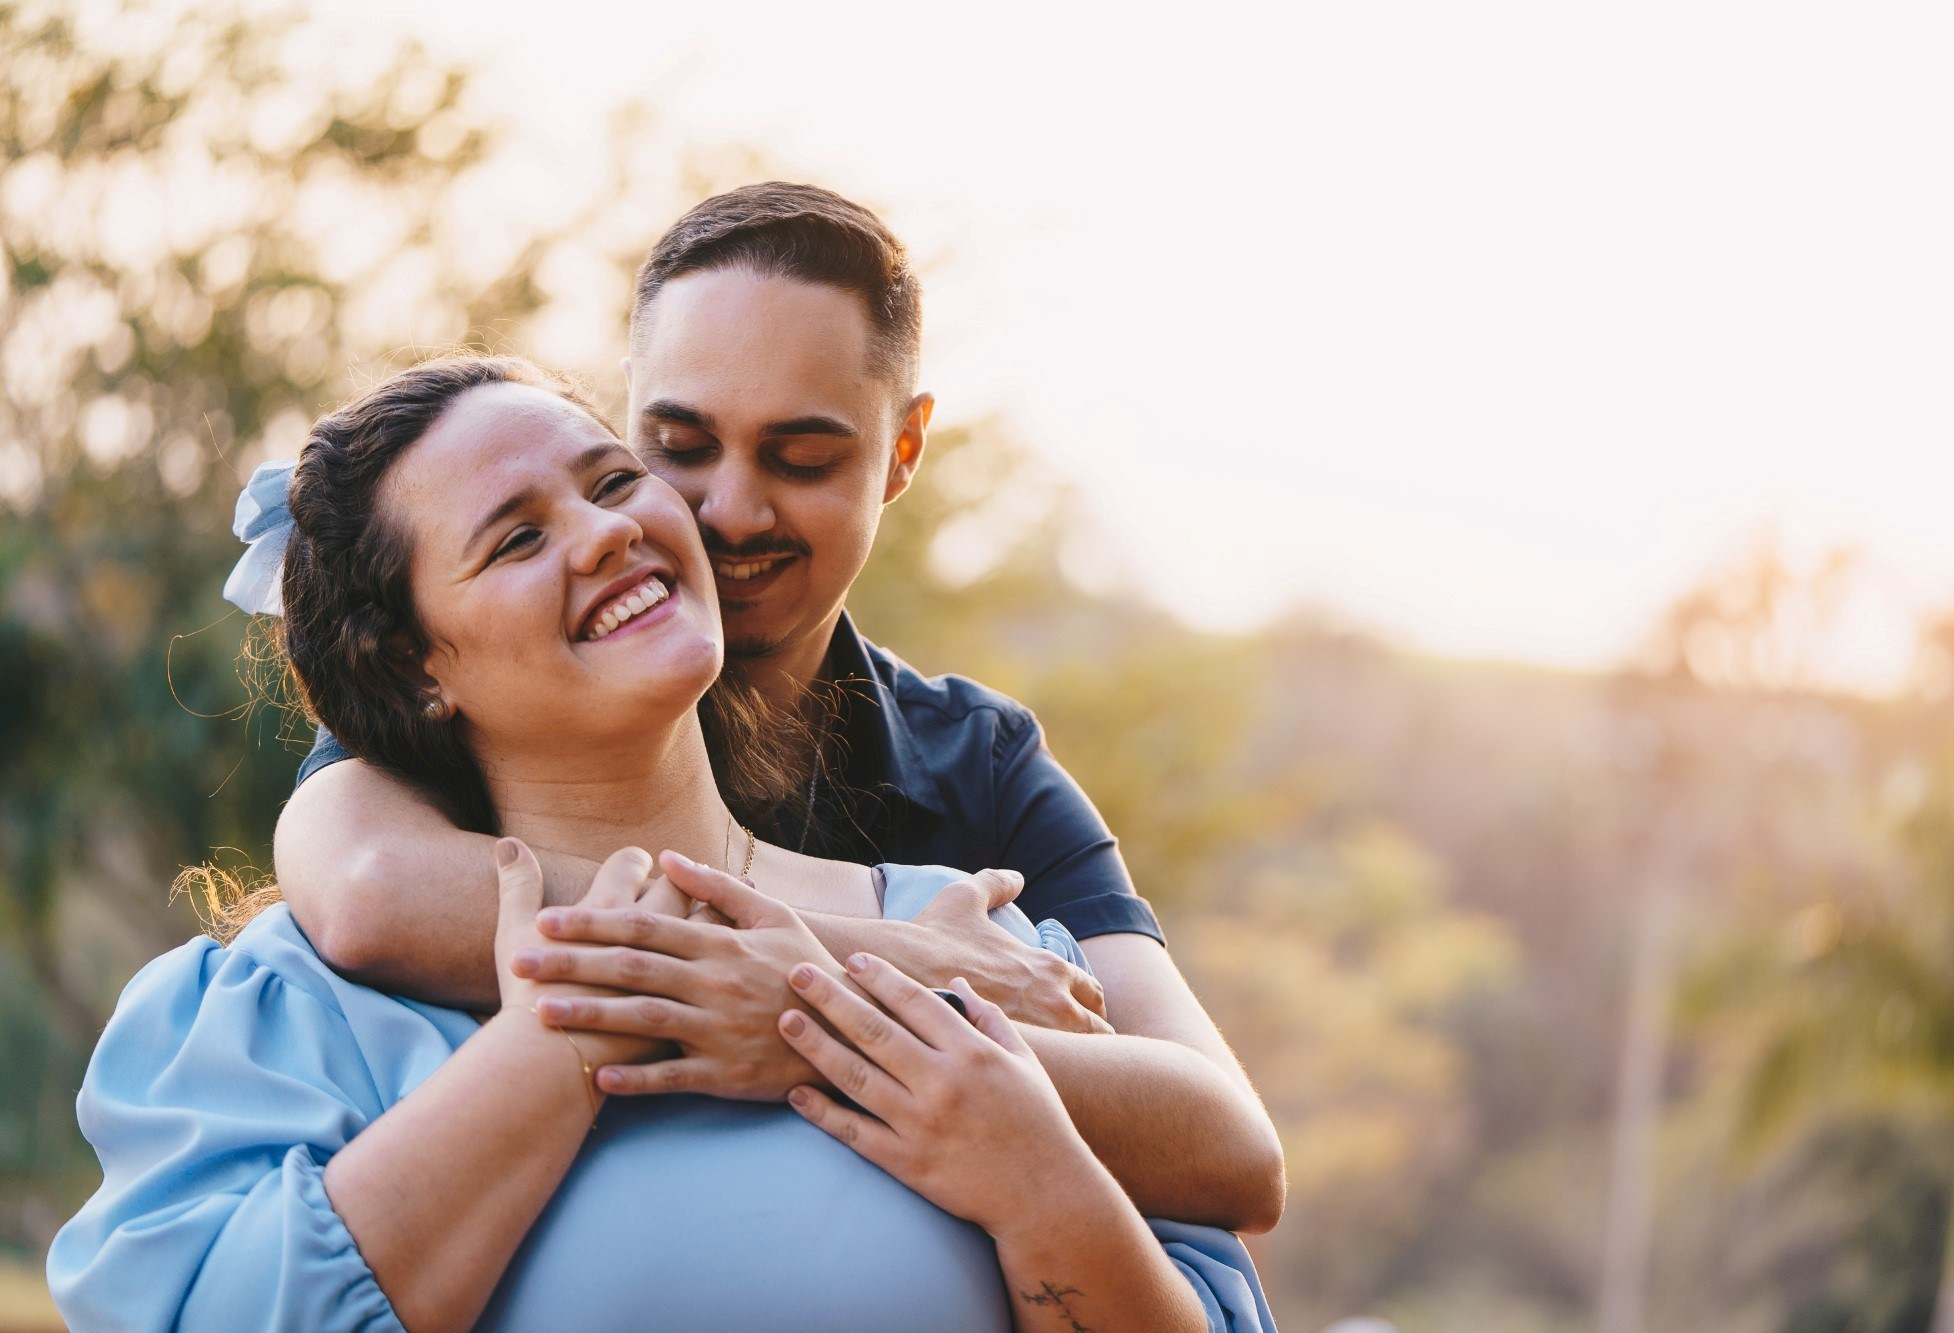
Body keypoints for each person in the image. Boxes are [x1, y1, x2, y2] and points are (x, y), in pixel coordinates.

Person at [49, 358, 1276, 1332]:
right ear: (422, 669)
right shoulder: (291, 1010)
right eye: (516, 539)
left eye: (611, 479)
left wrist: (1036, 1176)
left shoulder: (978, 948)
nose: (602, 533)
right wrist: (571, 1028)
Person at [273, 182, 1285, 1233]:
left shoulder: (972, 762)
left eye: (801, 458)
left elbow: (1229, 1148)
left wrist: (804, 1014)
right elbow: (370, 890)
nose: (731, 510)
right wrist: (883, 969)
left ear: (901, 454)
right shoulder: (498, 693)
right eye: (680, 446)